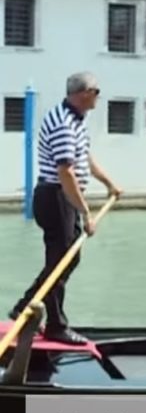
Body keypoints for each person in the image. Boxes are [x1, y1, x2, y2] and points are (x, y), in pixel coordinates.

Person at [8, 72, 122, 344]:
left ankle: (25, 307)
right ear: (84, 93)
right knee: (60, 262)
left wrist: (109, 184)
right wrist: (86, 213)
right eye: (97, 91)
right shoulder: (63, 123)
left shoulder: (76, 120)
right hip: (56, 197)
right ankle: (56, 326)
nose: (99, 96)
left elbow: (84, 159)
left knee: (66, 260)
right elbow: (66, 173)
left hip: (63, 196)